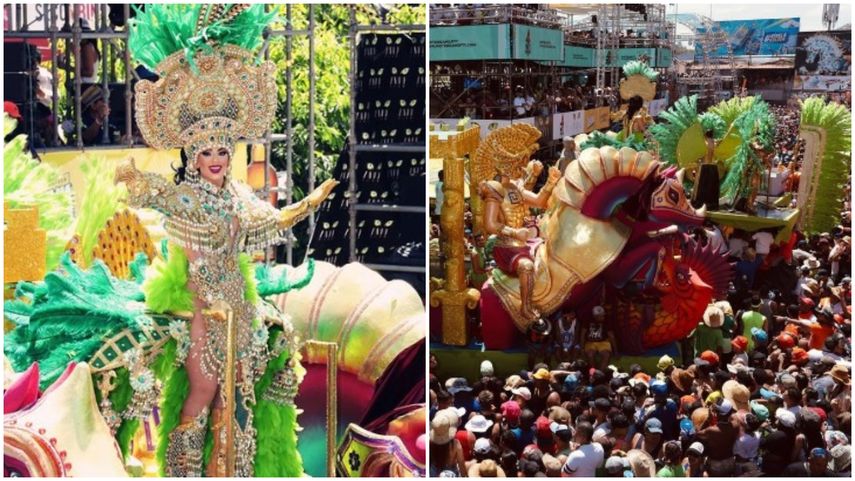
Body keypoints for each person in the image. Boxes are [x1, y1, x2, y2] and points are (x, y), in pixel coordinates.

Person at [112, 5, 338, 476]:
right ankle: (182, 472)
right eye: (207, 151)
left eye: (222, 149)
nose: (216, 158)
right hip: (204, 308)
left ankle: (233, 470)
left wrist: (309, 203)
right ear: (192, 156)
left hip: (241, 305)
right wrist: (134, 179)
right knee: (204, 390)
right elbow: (154, 196)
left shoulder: (237, 195)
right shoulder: (186, 196)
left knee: (248, 386)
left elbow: (270, 221)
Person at [581, 306, 616, 371]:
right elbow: (582, 334)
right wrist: (582, 348)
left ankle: (600, 374)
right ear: (595, 316)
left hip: (603, 342)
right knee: (590, 355)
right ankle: (593, 374)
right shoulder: (588, 320)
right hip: (590, 342)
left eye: (603, 315)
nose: (603, 317)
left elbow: (611, 336)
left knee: (606, 355)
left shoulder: (606, 320)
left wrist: (616, 351)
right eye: (601, 316)